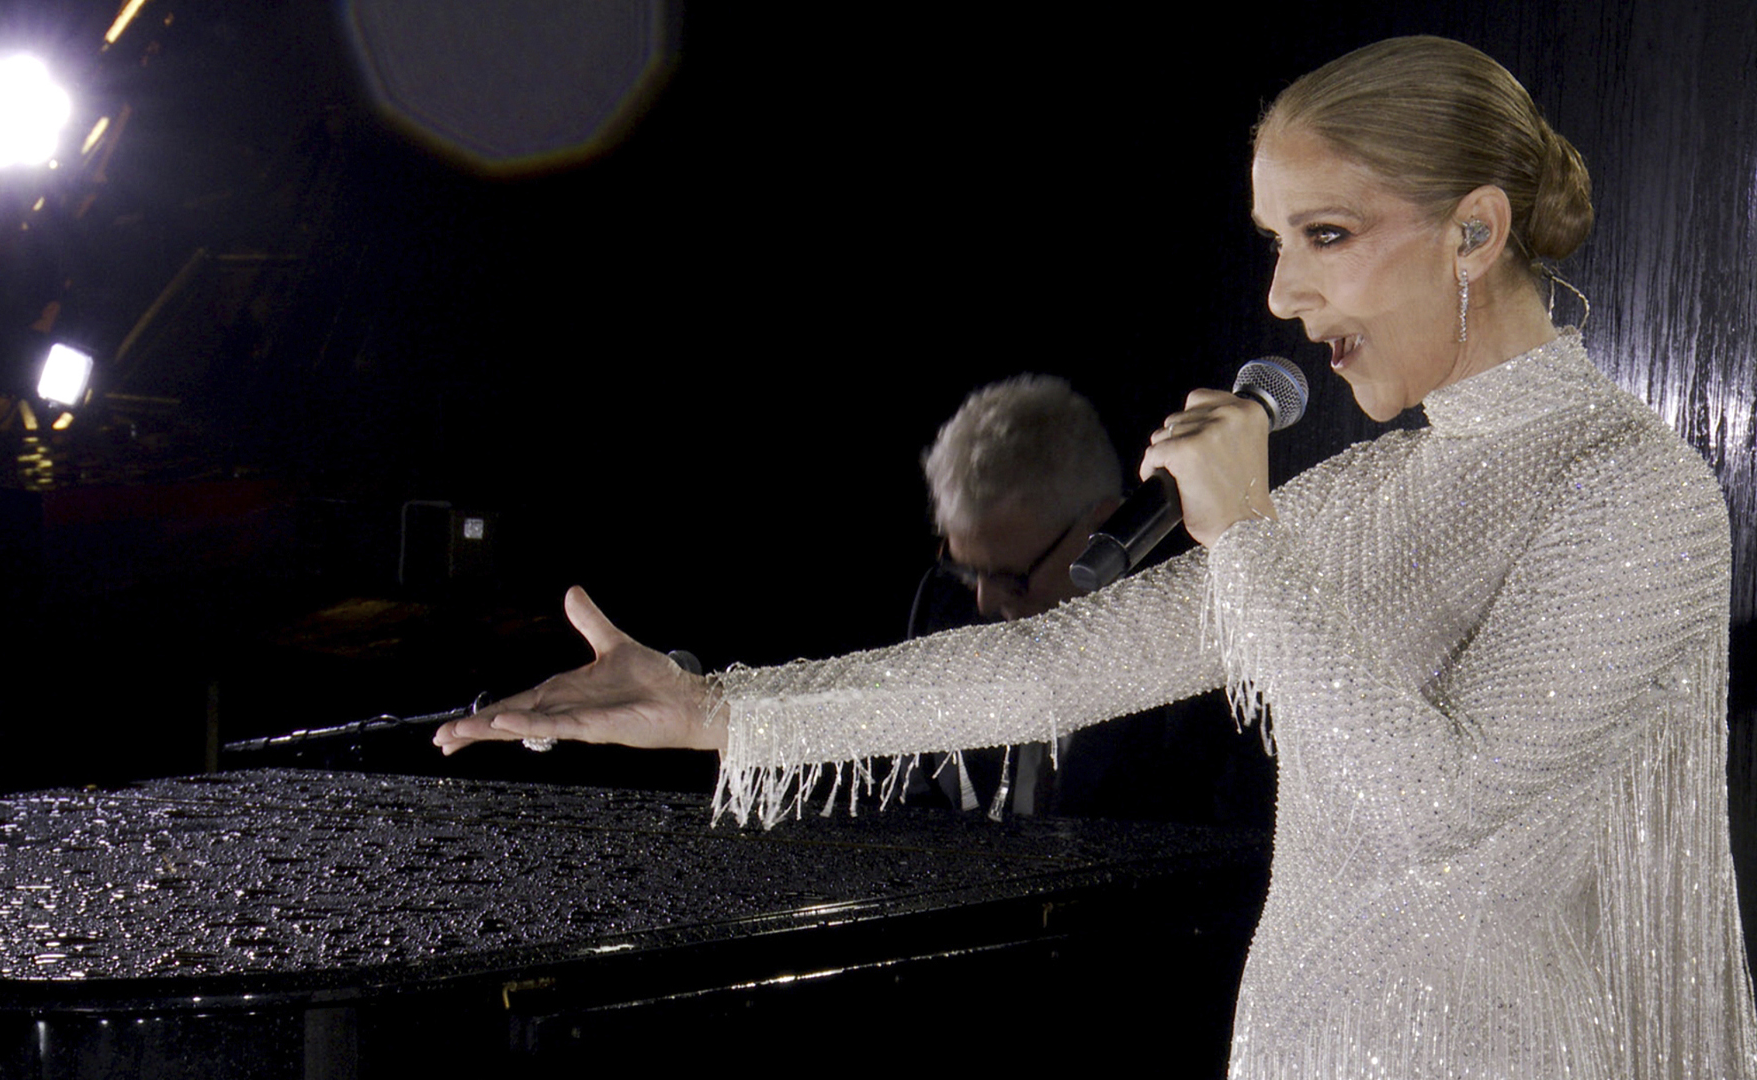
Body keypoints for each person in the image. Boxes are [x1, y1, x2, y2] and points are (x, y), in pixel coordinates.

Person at [437, 37, 1757, 1077]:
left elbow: (1442, 817)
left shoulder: (1633, 496)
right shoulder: (1379, 490)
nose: (1282, 297)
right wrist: (716, 709)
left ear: (1474, 230)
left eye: (1329, 237)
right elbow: (1058, 666)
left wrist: (1245, 531)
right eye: (1274, 243)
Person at [913, 373, 1272, 825]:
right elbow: (917, 801)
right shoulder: (942, 605)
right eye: (969, 571)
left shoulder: (1201, 640)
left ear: (1099, 527)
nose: (983, 601)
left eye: (1012, 577)